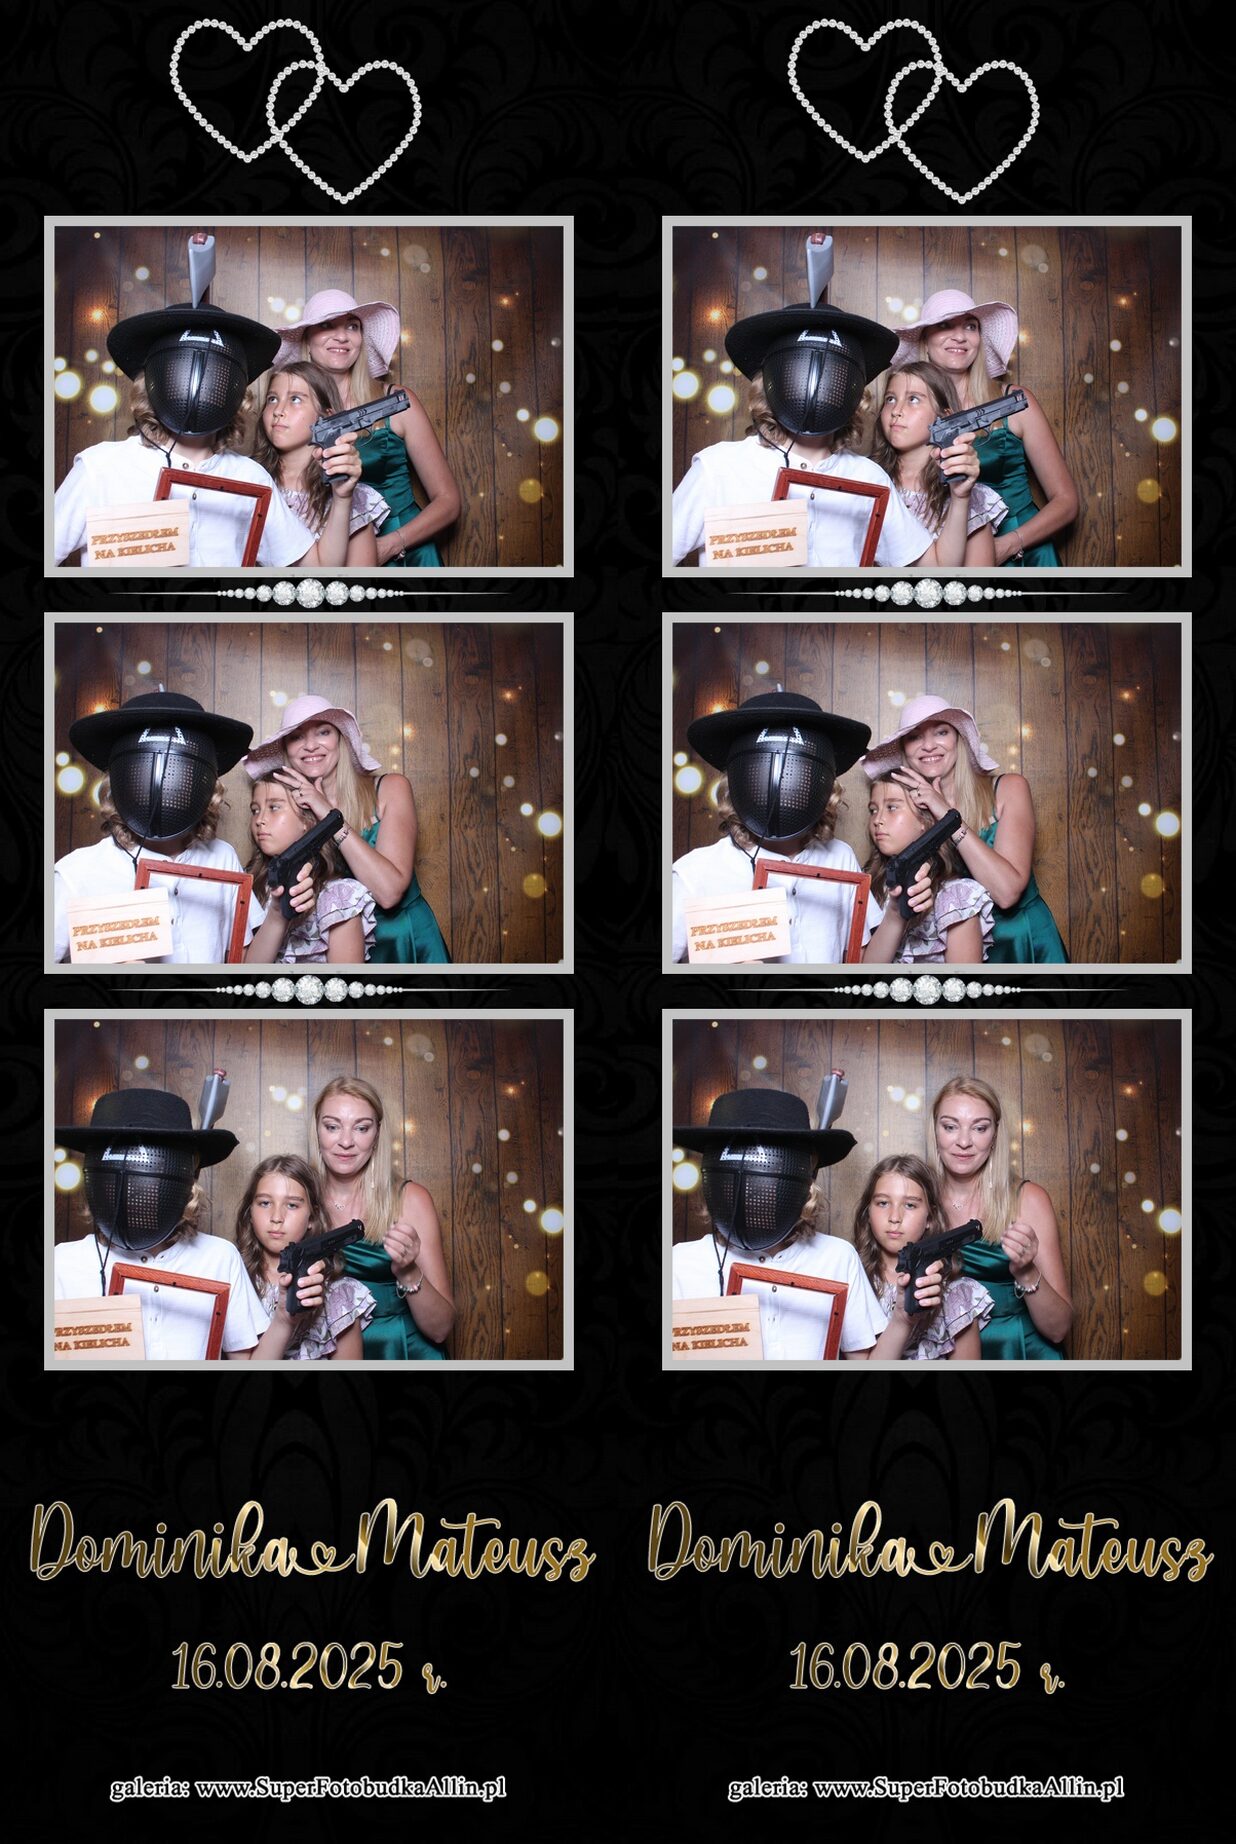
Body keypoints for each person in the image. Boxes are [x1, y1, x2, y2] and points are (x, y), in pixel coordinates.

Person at [53, 1088, 324, 1360]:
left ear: (185, 1179)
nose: (136, 1186)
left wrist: (284, 1318)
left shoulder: (219, 1258)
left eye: (150, 1163)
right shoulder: (62, 1264)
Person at [671, 1088, 943, 1360]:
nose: (755, 1186)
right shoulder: (680, 1264)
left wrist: (902, 1318)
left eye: (769, 1165)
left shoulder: (837, 1258)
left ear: (804, 1180)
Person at [54, 296, 319, 568]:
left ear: (237, 391)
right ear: (152, 380)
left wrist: (341, 496)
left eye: (216, 375)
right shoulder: (100, 469)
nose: (197, 382)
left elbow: (310, 569)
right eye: (179, 369)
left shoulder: (251, 477)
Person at [672, 299, 939, 568]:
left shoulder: (869, 477)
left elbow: (928, 567)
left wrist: (960, 495)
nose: (815, 382)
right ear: (770, 380)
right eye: (797, 370)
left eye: (834, 375)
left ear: (855, 391)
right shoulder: (718, 468)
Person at [53, 691, 264, 965]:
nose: (162, 782)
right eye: (142, 771)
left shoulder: (222, 858)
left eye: (178, 772)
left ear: (207, 785)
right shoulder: (75, 874)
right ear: (118, 781)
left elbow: (242, 960)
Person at [671, 692, 881, 965]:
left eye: (797, 772)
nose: (780, 781)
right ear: (735, 781)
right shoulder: (693, 874)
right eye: (759, 770)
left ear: (825, 785)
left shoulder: (840, 858)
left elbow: (861, 960)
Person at [861, 693, 1068, 964]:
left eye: (941, 732)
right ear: (904, 750)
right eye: (914, 737)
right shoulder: (909, 813)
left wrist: (946, 815)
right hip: (954, 947)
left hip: (1022, 944)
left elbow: (1007, 894)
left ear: (959, 739)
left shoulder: (1008, 788)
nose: (928, 746)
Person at [243, 694, 449, 964]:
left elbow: (389, 894)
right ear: (286, 749)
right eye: (296, 737)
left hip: (403, 943)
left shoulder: (390, 788)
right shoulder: (291, 813)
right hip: (334, 947)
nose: (310, 745)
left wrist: (328, 815)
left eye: (323, 732)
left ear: (341, 739)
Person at [887, 290, 1078, 567]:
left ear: (979, 339)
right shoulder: (908, 413)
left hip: (1024, 553)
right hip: (944, 555)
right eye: (945, 325)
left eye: (970, 326)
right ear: (925, 341)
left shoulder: (1015, 401)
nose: (960, 336)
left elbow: (1067, 502)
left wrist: (1008, 544)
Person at [270, 290, 460, 567]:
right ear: (307, 340)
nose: (342, 336)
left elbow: (449, 502)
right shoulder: (290, 412)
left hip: (406, 553)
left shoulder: (397, 401)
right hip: (327, 555)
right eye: (327, 325)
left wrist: (390, 544)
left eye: (352, 326)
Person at [311, 1076, 455, 1360]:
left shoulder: (410, 1199)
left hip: (401, 1353)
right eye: (332, 1126)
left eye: (361, 1128)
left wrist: (408, 1271)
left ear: (377, 1134)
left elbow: (441, 1329)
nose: (346, 1141)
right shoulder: (298, 1200)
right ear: (317, 1130)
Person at [929, 1077, 1072, 1360]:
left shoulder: (1028, 1199)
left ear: (995, 1134)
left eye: (980, 1128)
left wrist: (1026, 1272)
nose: (964, 1141)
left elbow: (1059, 1329)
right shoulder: (916, 1200)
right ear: (935, 1130)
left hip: (1018, 1352)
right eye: (950, 1126)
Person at [234, 1154, 375, 1361]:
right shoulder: (234, 1281)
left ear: (312, 1217)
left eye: (292, 1205)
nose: (276, 1217)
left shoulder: (338, 1295)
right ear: (250, 1213)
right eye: (264, 1203)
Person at [253, 359, 393, 567]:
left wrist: (342, 498)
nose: (278, 410)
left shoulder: (353, 498)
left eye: (295, 399)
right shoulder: (247, 476)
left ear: (326, 417)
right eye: (272, 399)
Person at [852, 1154, 993, 1360]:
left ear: (930, 1217)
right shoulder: (852, 1282)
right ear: (868, 1212)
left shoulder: (956, 1295)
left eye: (910, 1205)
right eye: (883, 1203)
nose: (894, 1217)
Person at [870, 360, 1008, 567]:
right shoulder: (865, 477)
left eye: (913, 399)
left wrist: (960, 498)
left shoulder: (970, 497)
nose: (896, 410)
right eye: (890, 399)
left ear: (944, 416)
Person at [244, 772, 375, 965]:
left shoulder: (338, 898)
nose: (259, 819)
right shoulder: (251, 888)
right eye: (255, 810)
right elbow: (247, 975)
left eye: (274, 807)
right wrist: (277, 915)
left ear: (306, 821)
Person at [862, 773, 993, 964]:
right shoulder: (870, 888)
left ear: (924, 821)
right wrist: (895, 914)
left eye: (892, 807)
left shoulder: (956, 898)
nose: (877, 820)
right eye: (873, 810)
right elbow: (865, 975)